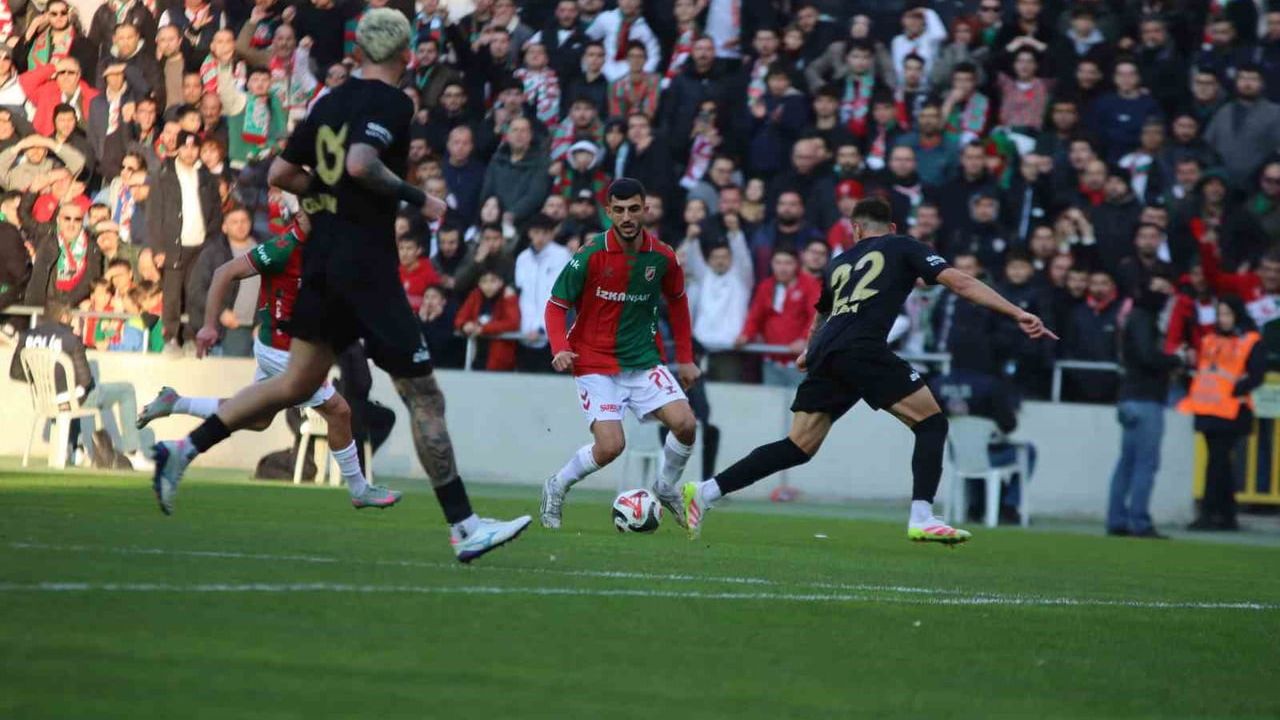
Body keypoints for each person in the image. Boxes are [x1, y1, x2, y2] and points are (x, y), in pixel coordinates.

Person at [149, 9, 530, 563]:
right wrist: (419, 198)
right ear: (405, 55)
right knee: (424, 395)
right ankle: (465, 526)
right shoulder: (393, 103)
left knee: (294, 383)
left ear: (359, 52)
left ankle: (183, 449)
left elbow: (281, 175)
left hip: (323, 260)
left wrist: (328, 197)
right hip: (365, 265)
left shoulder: (329, 102)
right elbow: (359, 163)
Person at [678, 198, 1056, 542]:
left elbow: (823, 314)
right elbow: (959, 282)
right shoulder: (903, 245)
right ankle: (922, 517)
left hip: (829, 353)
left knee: (798, 445)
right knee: (931, 423)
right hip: (863, 349)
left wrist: (810, 350)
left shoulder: (839, 263)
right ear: (891, 228)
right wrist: (1016, 312)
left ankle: (705, 491)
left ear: (855, 230)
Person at [138, 213, 401, 509]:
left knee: (257, 419)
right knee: (339, 411)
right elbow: (224, 271)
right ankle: (359, 489)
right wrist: (210, 325)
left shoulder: (327, 247)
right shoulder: (282, 248)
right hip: (282, 351)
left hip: (284, 347)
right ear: (302, 216)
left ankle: (176, 402)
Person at [538, 178, 700, 530]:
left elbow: (678, 302)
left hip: (642, 359)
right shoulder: (590, 255)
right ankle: (557, 484)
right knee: (611, 446)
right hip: (593, 362)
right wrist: (560, 347)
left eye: (634, 209)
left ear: (646, 210)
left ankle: (666, 486)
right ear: (608, 212)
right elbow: (555, 306)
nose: (627, 217)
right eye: (620, 210)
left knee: (686, 424)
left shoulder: (663, 256)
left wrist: (686, 357)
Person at [9, 301, 152, 470]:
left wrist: (45, 382)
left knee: (73, 390)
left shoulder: (26, 336)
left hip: (44, 400)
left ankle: (75, 449)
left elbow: (16, 373)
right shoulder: (71, 339)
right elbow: (85, 380)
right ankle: (133, 453)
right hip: (70, 399)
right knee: (125, 390)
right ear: (64, 317)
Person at [1178, 296, 1264, 532]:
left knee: (1216, 461)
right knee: (1221, 462)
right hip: (1209, 408)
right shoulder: (1209, 340)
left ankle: (1208, 514)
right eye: (1220, 314)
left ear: (1237, 315)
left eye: (1227, 314)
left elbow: (1256, 375)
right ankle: (1227, 515)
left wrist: (1234, 390)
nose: (1223, 319)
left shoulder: (1250, 341)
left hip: (1233, 410)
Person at [1108, 272, 1182, 538]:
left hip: (1129, 397)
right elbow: (1148, 356)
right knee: (1144, 464)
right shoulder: (1144, 318)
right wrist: (1176, 360)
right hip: (1145, 399)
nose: (1165, 295)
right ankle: (1139, 521)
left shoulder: (1134, 317)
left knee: (1127, 463)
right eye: (1160, 289)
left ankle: (1117, 519)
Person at [514, 213, 571, 372]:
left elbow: (561, 297)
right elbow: (523, 295)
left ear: (552, 234)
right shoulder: (523, 258)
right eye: (536, 232)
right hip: (525, 333)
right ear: (530, 233)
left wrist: (541, 328)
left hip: (551, 336)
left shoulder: (562, 256)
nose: (540, 237)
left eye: (545, 233)